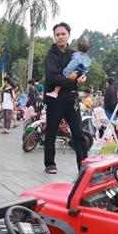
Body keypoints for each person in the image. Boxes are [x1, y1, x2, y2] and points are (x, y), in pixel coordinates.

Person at [43, 22, 89, 173]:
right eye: (57, 34)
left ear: (69, 35)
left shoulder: (74, 54)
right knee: (51, 132)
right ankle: (50, 163)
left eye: (63, 34)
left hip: (71, 100)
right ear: (54, 36)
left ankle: (83, 166)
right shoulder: (51, 55)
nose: (60, 37)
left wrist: (80, 78)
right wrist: (73, 80)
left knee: (78, 133)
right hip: (54, 100)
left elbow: (82, 71)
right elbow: (52, 77)